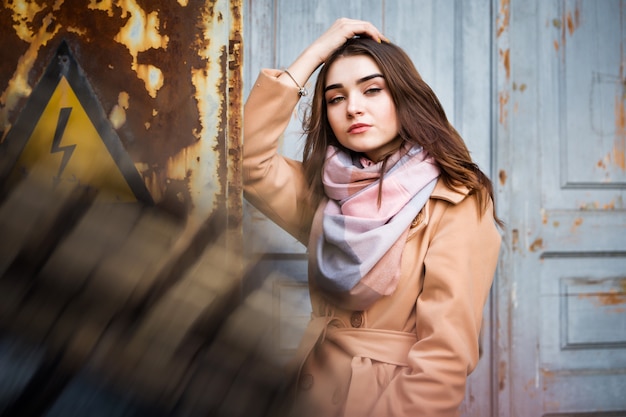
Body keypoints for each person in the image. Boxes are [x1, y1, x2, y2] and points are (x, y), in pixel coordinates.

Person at [243, 18, 502, 417]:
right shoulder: (324, 193)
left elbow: (443, 358)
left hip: (383, 400)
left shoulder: (456, 200)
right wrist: (316, 54)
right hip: (310, 389)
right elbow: (247, 163)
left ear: (404, 96)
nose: (353, 108)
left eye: (372, 90)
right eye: (335, 98)